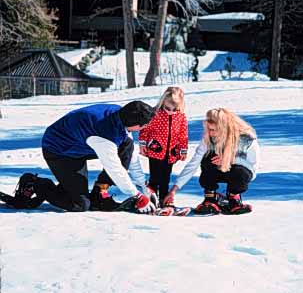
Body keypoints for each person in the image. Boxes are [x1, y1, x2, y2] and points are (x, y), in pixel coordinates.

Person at [12, 101, 157, 213]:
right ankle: (34, 183)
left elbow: (130, 157)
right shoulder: (104, 136)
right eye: (144, 126)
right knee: (80, 204)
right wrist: (137, 196)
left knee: (127, 145)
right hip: (60, 151)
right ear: (135, 124)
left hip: (80, 143)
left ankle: (100, 191)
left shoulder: (122, 115)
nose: (144, 128)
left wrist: (144, 187)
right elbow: (114, 168)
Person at [163, 108, 260, 215]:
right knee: (208, 158)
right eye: (208, 129)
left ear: (224, 128)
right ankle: (210, 197)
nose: (210, 133)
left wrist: (230, 160)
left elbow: (253, 169)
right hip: (216, 171)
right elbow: (193, 164)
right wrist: (174, 190)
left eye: (213, 130)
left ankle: (234, 198)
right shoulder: (208, 138)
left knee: (241, 171)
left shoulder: (246, 138)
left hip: (237, 173)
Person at [139, 87, 188, 207]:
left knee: (165, 178)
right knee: (155, 177)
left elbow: (183, 135)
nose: (171, 111)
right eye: (167, 108)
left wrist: (183, 150)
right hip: (155, 150)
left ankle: (163, 200)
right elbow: (145, 129)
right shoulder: (155, 113)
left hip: (171, 153)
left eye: (174, 109)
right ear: (163, 102)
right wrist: (142, 144)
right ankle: (151, 199)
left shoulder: (181, 116)